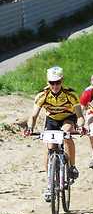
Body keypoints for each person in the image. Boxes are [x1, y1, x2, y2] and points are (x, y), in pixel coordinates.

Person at [24, 66, 85, 201]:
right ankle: (50, 184)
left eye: (57, 82)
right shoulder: (42, 95)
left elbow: (80, 115)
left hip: (68, 118)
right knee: (49, 148)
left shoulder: (70, 94)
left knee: (66, 134)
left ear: (62, 81)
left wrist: (80, 126)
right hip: (51, 120)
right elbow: (33, 116)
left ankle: (72, 167)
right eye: (52, 83)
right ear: (47, 82)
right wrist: (29, 128)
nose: (55, 86)